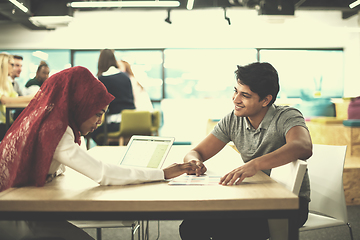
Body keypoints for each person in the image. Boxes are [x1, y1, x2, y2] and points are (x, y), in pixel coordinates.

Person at [0, 66, 199, 240]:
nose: (99, 122)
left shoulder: (51, 122)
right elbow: (103, 173)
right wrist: (162, 173)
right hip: (13, 218)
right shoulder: (55, 130)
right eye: (98, 113)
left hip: (23, 209)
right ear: (80, 105)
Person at [179, 62, 313, 240]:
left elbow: (303, 146)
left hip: (289, 203)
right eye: (235, 91)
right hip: (251, 198)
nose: (235, 99)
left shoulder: (287, 116)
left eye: (245, 95)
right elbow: (197, 152)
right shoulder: (233, 120)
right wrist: (194, 162)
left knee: (229, 232)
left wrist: (255, 164)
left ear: (265, 100)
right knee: (191, 226)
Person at [91, 49, 135, 145]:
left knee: (93, 131)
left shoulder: (101, 79)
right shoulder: (125, 76)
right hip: (132, 120)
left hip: (116, 122)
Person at [0, 53, 32, 140]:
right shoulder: (3, 82)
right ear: (4, 64)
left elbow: (16, 98)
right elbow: (4, 100)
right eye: (12, 65)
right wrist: (31, 98)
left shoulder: (8, 83)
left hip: (7, 122)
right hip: (2, 124)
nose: (14, 68)